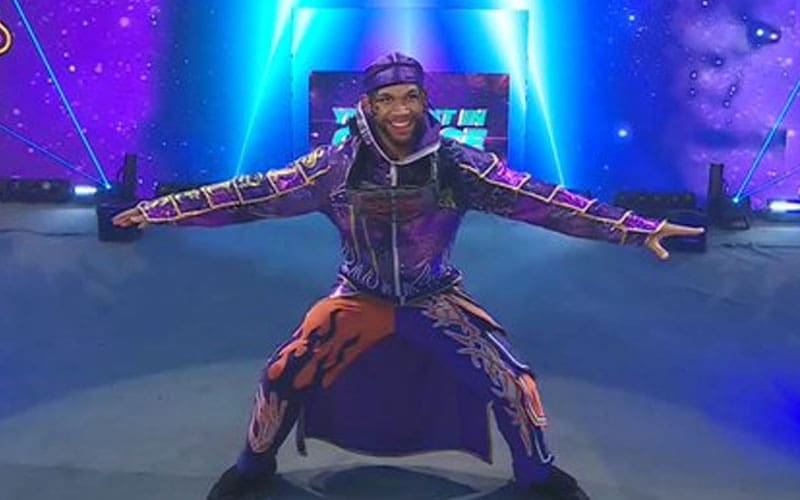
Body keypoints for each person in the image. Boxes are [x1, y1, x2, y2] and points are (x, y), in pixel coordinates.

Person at [113, 52, 703, 500]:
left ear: (425, 101)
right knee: (282, 373)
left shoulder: (457, 164)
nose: (400, 109)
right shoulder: (335, 166)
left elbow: (543, 200)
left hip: (434, 296)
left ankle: (539, 479)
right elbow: (251, 195)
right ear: (368, 106)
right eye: (388, 98)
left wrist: (634, 227)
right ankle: (250, 470)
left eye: (411, 97)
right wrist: (158, 210)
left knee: (514, 383)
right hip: (358, 294)